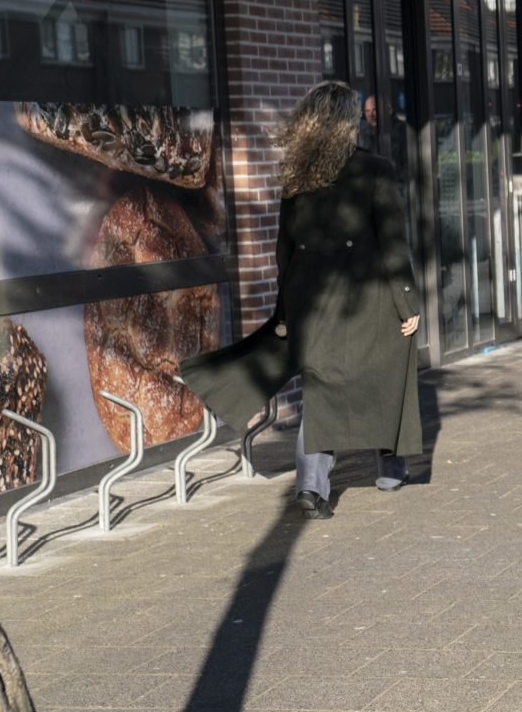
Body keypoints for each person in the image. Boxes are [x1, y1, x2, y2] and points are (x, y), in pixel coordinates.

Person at [180, 80, 424, 521]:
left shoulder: (298, 178)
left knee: (323, 385)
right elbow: (392, 245)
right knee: (389, 369)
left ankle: (312, 487)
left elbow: (283, 252)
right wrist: (408, 304)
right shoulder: (376, 170)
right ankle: (390, 470)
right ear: (348, 123)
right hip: (367, 297)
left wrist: (286, 312)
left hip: (311, 300)